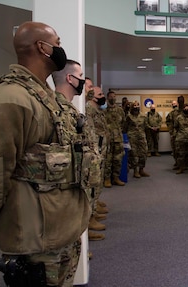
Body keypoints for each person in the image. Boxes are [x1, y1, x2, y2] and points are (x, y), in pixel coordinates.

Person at [0, 21, 90, 286]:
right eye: (57, 43)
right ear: (42, 47)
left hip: (59, 232)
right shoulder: (11, 98)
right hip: (36, 239)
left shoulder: (43, 96)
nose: (60, 49)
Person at [52, 60, 106, 241]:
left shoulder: (71, 109)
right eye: (82, 78)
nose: (86, 85)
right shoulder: (56, 110)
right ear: (70, 78)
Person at [85, 85, 110, 241]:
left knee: (96, 184)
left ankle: (93, 212)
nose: (103, 96)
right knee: (91, 187)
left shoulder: (98, 111)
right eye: (100, 94)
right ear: (93, 96)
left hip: (100, 151)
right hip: (94, 152)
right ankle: (89, 219)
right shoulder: (88, 111)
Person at [104, 90, 126, 187]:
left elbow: (123, 123)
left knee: (118, 159)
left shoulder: (120, 110)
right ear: (108, 98)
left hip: (118, 138)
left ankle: (116, 178)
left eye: (114, 96)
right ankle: (107, 179)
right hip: (108, 139)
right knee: (108, 160)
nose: (113, 98)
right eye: (111, 97)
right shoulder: (104, 110)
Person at [124, 101, 150, 178]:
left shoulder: (143, 116)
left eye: (137, 105)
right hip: (132, 138)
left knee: (144, 153)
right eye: (134, 105)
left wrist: (152, 128)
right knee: (134, 154)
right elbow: (125, 127)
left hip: (142, 137)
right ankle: (135, 171)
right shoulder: (128, 116)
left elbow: (146, 126)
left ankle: (141, 170)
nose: (136, 107)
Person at [173, 104, 188, 174]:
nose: (186, 110)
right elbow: (176, 127)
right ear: (183, 110)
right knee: (181, 154)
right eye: (185, 109)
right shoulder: (179, 118)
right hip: (181, 138)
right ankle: (181, 168)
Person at [166, 100, 181, 167]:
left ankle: (184, 164)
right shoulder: (171, 113)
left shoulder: (182, 112)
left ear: (177, 104)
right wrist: (171, 130)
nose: (174, 105)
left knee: (182, 149)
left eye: (175, 103)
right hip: (174, 134)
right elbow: (168, 122)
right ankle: (177, 162)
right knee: (175, 149)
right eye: (172, 104)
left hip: (183, 134)